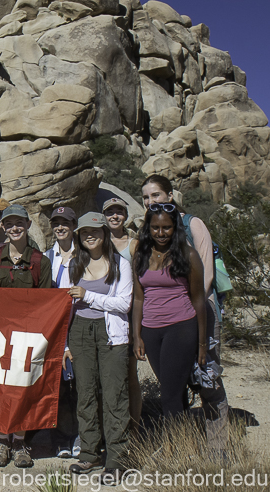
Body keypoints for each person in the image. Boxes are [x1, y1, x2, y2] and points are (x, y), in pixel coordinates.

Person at [141, 174, 229, 456]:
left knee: (208, 380)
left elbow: (205, 274)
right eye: (145, 197)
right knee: (175, 384)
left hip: (200, 311)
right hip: (164, 321)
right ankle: (183, 442)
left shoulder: (192, 224)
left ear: (169, 195)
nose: (150, 201)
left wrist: (193, 323)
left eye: (156, 195)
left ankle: (218, 448)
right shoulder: (151, 231)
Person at [60, 213, 132, 486]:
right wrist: (65, 342)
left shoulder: (120, 264)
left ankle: (117, 459)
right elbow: (66, 306)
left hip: (111, 333)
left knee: (115, 394)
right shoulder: (75, 264)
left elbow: (124, 304)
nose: (90, 235)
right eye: (85, 231)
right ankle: (89, 452)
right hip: (79, 332)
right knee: (85, 393)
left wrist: (88, 295)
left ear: (104, 233)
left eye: (95, 230)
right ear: (79, 235)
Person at [0, 204, 52, 469]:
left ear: (28, 225)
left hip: (27, 335)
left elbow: (46, 303)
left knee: (23, 387)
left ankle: (20, 442)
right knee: (0, 388)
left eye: (19, 223)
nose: (14, 228)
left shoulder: (39, 261)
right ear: (3, 226)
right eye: (9, 224)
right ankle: (2, 439)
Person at [131, 203, 208, 420]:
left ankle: (172, 447)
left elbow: (199, 300)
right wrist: (136, 336)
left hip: (181, 327)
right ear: (148, 228)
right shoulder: (141, 255)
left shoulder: (188, 255)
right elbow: (138, 299)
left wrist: (202, 344)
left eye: (167, 227)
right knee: (172, 387)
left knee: (169, 394)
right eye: (155, 228)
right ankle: (185, 442)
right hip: (151, 330)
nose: (161, 233)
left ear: (175, 227)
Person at [102, 198, 142, 434]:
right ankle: (112, 428)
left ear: (126, 216)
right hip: (103, 314)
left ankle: (134, 428)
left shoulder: (133, 244)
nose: (114, 216)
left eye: (119, 212)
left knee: (130, 374)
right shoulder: (99, 240)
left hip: (127, 314)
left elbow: (138, 284)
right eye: (110, 212)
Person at [44, 206, 80, 459]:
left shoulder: (85, 254)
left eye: (65, 222)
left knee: (81, 384)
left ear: (73, 225)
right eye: (56, 222)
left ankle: (81, 436)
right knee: (59, 385)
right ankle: (61, 439)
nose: (60, 227)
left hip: (79, 322)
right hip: (56, 325)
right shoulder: (47, 256)